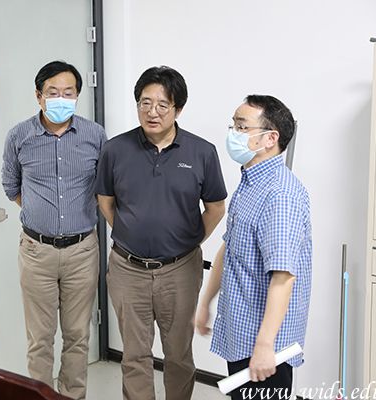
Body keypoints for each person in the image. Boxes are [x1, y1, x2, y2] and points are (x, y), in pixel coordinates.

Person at [95, 66, 227, 400]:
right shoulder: (115, 149)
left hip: (180, 270)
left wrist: (186, 241)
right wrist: (129, 233)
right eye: (145, 103)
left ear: (178, 109)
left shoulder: (201, 152)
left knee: (178, 354)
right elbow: (106, 201)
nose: (152, 112)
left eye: (162, 105)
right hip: (127, 269)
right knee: (134, 354)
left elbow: (215, 208)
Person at [195, 95, 312, 400]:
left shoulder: (280, 195)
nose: (233, 133)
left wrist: (265, 345)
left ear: (270, 138)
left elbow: (283, 276)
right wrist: (206, 302)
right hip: (241, 331)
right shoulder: (250, 184)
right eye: (233, 125)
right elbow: (230, 249)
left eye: (242, 127)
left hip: (264, 344)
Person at [1, 60, 106, 400]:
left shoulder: (95, 135)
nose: (61, 99)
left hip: (82, 251)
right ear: (39, 95)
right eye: (53, 92)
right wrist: (42, 214)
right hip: (37, 252)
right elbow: (11, 185)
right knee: (40, 339)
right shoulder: (19, 136)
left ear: (77, 96)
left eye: (68, 93)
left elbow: (105, 187)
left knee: (78, 336)